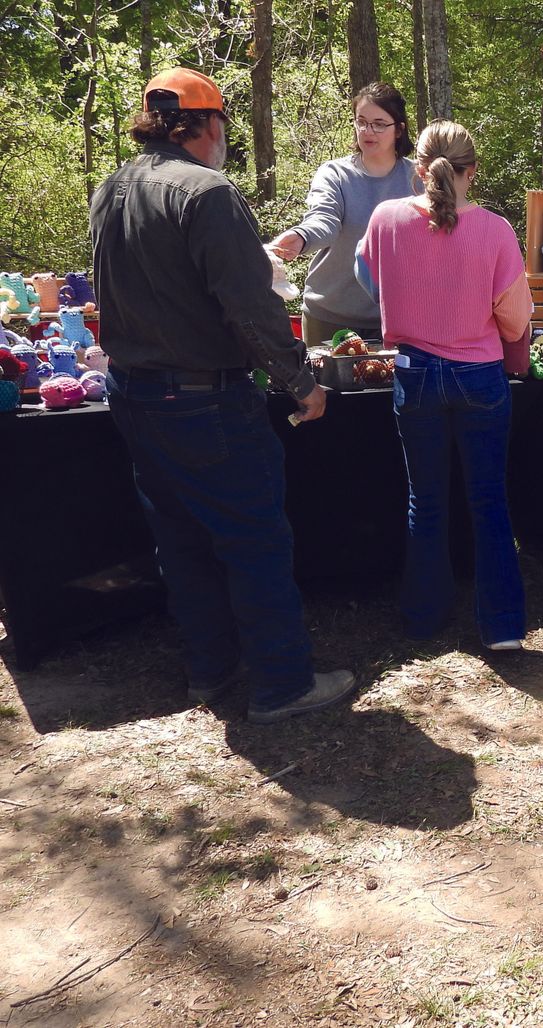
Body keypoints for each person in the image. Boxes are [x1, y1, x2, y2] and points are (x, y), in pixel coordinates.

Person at [90, 68, 355, 724]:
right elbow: (251, 307)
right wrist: (300, 381)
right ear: (207, 125)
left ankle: (210, 669)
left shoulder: (111, 187)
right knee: (254, 539)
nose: (224, 138)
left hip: (134, 394)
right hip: (203, 399)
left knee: (180, 539)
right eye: (223, 126)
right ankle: (283, 684)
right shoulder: (207, 192)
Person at [355, 121, 533, 651]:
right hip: (479, 375)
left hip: (413, 373)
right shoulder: (496, 230)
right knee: (489, 500)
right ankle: (502, 627)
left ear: (418, 167)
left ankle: (423, 617)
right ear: (472, 172)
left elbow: (366, 276)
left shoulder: (385, 219)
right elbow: (515, 320)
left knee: (425, 500)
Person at [268, 82, 416, 346]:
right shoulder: (334, 174)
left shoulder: (419, 178)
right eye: (362, 122)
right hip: (329, 317)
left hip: (399, 320)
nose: (367, 131)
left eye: (379, 124)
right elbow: (324, 220)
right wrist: (301, 237)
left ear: (399, 130)